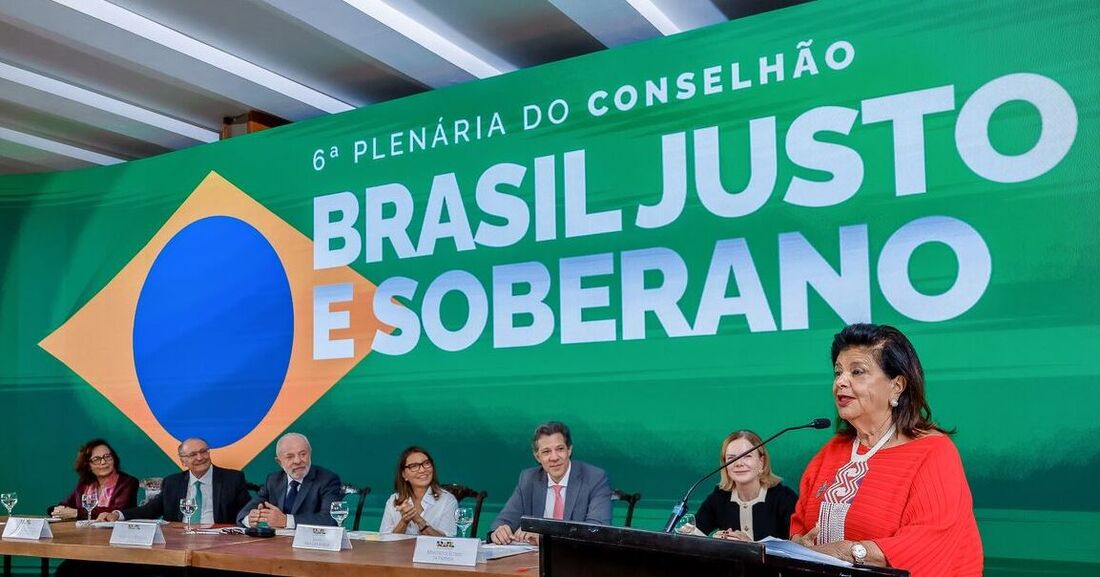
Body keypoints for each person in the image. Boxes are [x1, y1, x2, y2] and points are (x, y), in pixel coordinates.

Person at [788, 323, 982, 576]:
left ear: (897, 386)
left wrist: (846, 552)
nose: (841, 383)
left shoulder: (933, 452)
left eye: (857, 372)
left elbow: (927, 545)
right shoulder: (830, 452)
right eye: (838, 372)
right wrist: (796, 545)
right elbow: (799, 527)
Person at [490, 421, 612, 545]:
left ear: (569, 450)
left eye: (560, 449)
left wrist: (545, 536)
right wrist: (501, 530)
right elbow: (504, 520)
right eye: (546, 452)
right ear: (537, 457)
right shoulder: (528, 479)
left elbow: (596, 531)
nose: (554, 457)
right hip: (533, 560)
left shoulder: (595, 478)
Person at [97, 437, 249, 524]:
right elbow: (150, 509)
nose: (200, 457)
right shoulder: (172, 482)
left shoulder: (232, 479)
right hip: (178, 541)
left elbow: (246, 513)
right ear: (183, 461)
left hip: (219, 543)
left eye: (204, 451)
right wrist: (118, 515)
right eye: (193, 454)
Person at [687, 430, 798, 541]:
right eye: (731, 458)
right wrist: (716, 543)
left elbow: (798, 548)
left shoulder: (784, 498)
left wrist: (750, 546)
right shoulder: (719, 496)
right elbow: (690, 537)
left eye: (747, 456)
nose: (739, 463)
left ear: (761, 462)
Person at [237, 432, 343, 528]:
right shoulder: (273, 480)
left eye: (303, 454)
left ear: (310, 454)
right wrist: (250, 519)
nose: (297, 461)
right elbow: (243, 514)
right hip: (277, 545)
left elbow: (331, 519)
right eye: (290, 457)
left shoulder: (327, 480)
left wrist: (286, 521)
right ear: (279, 462)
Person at [378, 446, 458, 536]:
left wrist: (418, 520)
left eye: (426, 463)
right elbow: (384, 541)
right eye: (414, 466)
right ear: (404, 474)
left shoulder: (447, 500)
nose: (423, 470)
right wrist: (404, 521)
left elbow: (447, 542)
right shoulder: (394, 500)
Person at [50, 439, 138, 520]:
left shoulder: (128, 482)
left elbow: (115, 512)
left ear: (114, 459)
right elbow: (66, 504)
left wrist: (77, 513)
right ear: (88, 465)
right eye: (96, 459)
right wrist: (58, 510)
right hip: (86, 532)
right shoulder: (85, 483)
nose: (103, 462)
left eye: (107, 457)